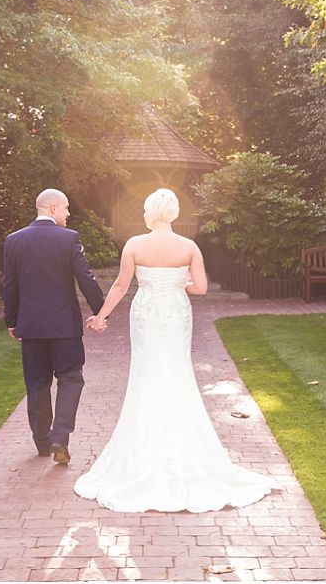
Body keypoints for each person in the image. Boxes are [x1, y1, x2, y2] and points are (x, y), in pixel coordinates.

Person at [75, 188, 280, 512]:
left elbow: (120, 286)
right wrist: (179, 283)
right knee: (177, 371)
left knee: (145, 374)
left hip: (146, 313)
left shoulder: (135, 245)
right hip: (175, 314)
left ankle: (145, 446)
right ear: (172, 213)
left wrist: (101, 316)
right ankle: (183, 441)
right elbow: (199, 287)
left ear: (148, 213)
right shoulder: (188, 247)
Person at [2, 188, 105, 465]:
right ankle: (60, 435)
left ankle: (43, 443)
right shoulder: (69, 239)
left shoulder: (14, 241)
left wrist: (12, 321)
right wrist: (101, 311)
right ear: (53, 209)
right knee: (71, 378)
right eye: (66, 208)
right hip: (64, 327)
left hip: (32, 327)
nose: (69, 214)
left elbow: (9, 286)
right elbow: (86, 278)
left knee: (37, 384)